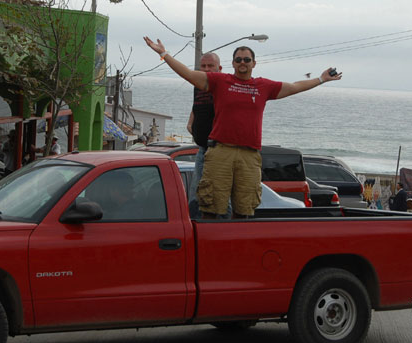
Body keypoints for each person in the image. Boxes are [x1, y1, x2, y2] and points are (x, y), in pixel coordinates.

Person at [144, 36, 342, 219]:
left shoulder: (263, 86)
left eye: (247, 60)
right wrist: (163, 54)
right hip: (221, 152)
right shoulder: (220, 81)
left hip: (249, 156)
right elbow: (187, 74)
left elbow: (295, 86)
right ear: (232, 63)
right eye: (238, 60)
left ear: (254, 63)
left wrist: (322, 79)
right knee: (211, 207)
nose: (242, 63)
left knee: (245, 209)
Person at [185, 52, 222, 218]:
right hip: (202, 148)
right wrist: (191, 123)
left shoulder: (223, 85)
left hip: (218, 150)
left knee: (218, 201)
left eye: (210, 66)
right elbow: (197, 106)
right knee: (195, 198)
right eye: (203, 66)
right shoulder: (198, 85)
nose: (206, 69)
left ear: (219, 68)